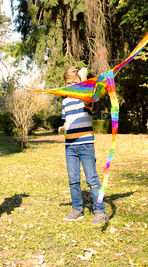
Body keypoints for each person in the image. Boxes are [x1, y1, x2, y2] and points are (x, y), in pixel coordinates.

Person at [61, 66, 108, 225]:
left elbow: (89, 95)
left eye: (73, 84)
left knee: (92, 180)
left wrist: (84, 77)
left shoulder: (85, 98)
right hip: (70, 146)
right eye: (67, 84)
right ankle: (77, 208)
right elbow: (67, 120)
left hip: (86, 145)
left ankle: (100, 211)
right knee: (73, 179)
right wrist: (63, 128)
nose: (69, 87)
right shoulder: (65, 101)